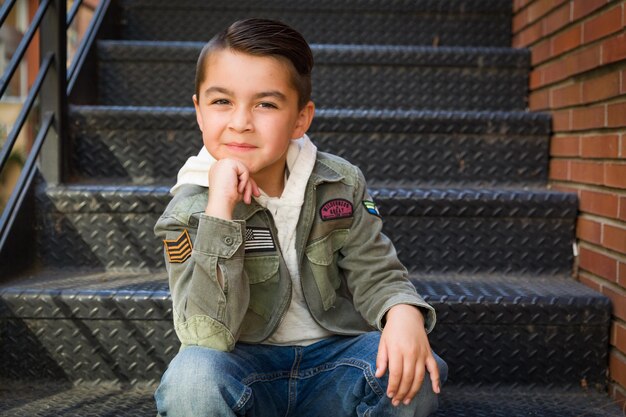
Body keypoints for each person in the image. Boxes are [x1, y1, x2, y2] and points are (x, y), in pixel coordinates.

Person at [153, 18, 447, 417]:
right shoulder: (189, 208)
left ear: (300, 118)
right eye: (222, 101)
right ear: (199, 112)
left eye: (266, 104)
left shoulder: (338, 183)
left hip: (334, 362)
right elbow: (206, 335)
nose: (240, 121)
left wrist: (402, 311)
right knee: (193, 382)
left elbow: (376, 270)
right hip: (243, 365)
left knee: (414, 371)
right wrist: (220, 211)